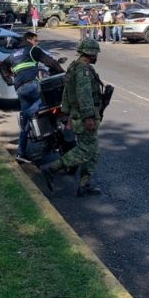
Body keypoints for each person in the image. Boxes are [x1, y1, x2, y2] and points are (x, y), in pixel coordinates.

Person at [41, 38, 104, 197]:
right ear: (90, 53)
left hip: (77, 115)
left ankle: (84, 184)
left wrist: (67, 113)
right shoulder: (82, 70)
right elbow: (84, 96)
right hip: (84, 117)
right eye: (95, 53)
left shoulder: (73, 67)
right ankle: (51, 168)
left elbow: (67, 94)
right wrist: (89, 117)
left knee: (93, 152)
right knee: (86, 150)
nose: (96, 56)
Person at [0, 30, 65, 160]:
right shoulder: (32, 50)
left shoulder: (13, 55)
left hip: (20, 89)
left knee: (26, 118)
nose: (37, 43)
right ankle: (50, 133)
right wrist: (62, 72)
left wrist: (9, 80)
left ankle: (21, 153)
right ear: (29, 40)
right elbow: (50, 61)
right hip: (32, 85)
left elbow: (2, 66)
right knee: (47, 106)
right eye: (36, 40)